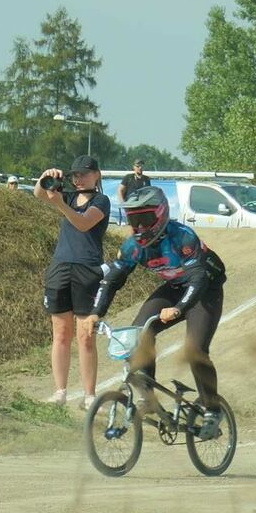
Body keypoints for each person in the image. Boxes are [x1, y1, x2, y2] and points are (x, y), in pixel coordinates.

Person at [92, 185, 228, 439]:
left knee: (195, 350)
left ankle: (212, 409)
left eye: (145, 219)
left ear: (162, 214)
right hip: (176, 286)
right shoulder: (133, 246)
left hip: (204, 289)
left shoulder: (183, 237)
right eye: (135, 220)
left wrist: (178, 309)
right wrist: (94, 313)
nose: (140, 227)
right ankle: (149, 397)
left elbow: (197, 279)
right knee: (138, 333)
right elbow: (112, 280)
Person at [35, 155, 109, 409]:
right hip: (61, 265)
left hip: (87, 268)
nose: (78, 179)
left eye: (84, 174)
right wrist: (46, 176)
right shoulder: (66, 196)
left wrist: (61, 206)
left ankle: (89, 394)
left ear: (96, 175)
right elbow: (39, 193)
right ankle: (60, 391)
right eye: (75, 175)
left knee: (85, 335)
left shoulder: (101, 200)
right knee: (61, 333)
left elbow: (83, 223)